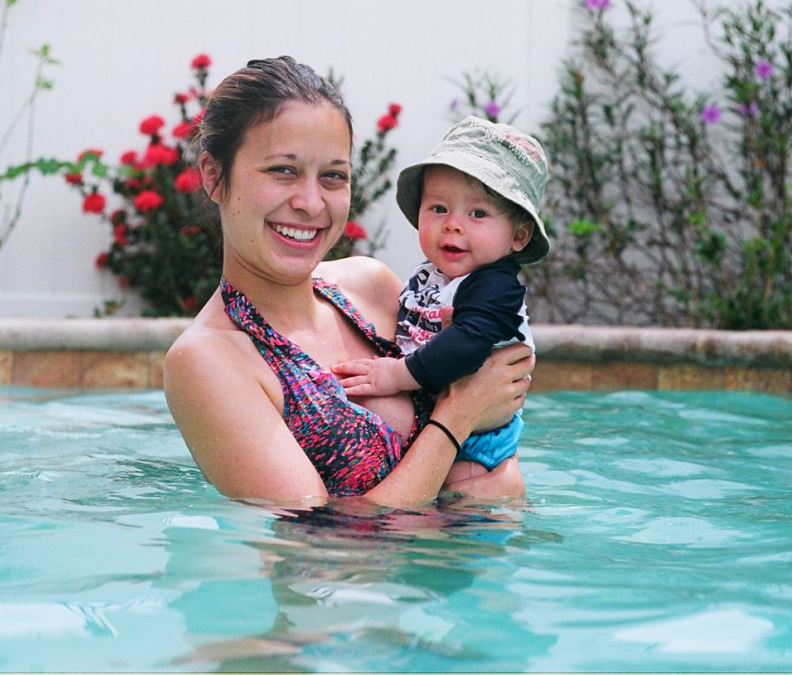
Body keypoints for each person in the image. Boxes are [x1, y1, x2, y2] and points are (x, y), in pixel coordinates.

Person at [162, 57, 532, 506]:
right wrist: (459, 415)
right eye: (283, 170)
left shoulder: (370, 285)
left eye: (333, 176)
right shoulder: (208, 359)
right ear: (213, 176)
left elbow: (494, 406)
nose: (311, 203)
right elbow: (318, 538)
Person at [332, 117, 549, 487]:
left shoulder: (495, 286)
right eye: (438, 208)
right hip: (445, 419)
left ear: (519, 236)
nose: (453, 224)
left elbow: (466, 346)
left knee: (461, 500)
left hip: (478, 445)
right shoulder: (436, 274)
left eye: (478, 213)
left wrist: (395, 375)